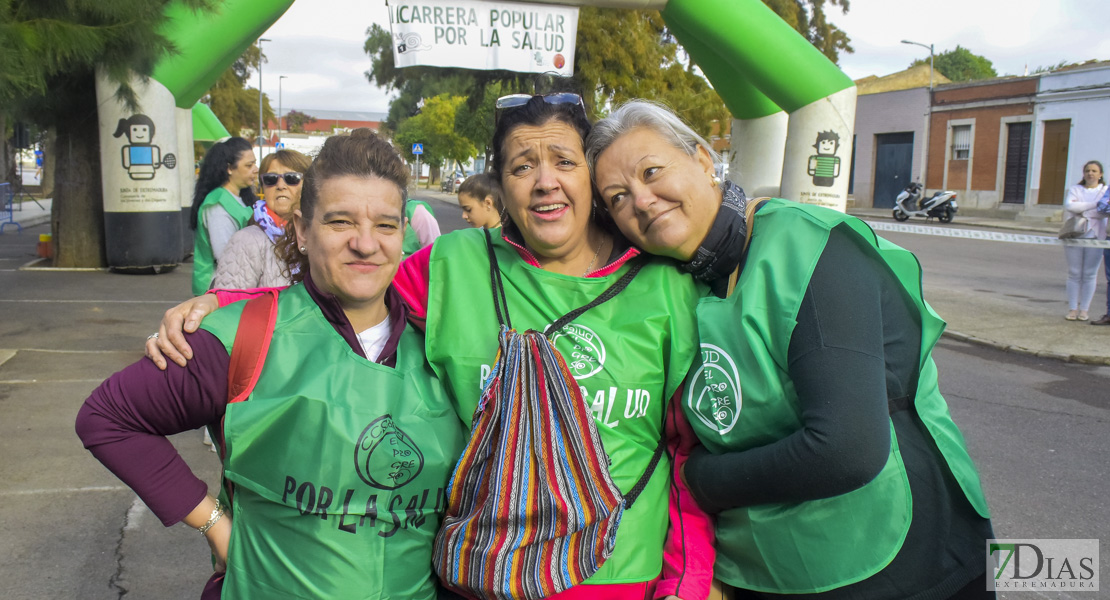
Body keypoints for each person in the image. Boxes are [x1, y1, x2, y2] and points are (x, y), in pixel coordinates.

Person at [146, 94, 715, 600]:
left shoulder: (663, 284)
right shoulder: (453, 264)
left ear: (590, 176)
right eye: (522, 167)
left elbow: (690, 450)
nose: (546, 181)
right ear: (501, 183)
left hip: (624, 577)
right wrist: (226, 306)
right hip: (486, 576)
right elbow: (355, 277)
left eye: (565, 162)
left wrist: (688, 582)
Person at [586, 100, 995, 599]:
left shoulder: (806, 245)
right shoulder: (671, 284)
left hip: (898, 558)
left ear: (701, 159)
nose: (643, 201)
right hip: (767, 566)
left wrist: (695, 480)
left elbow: (845, 450)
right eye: (618, 197)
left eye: (652, 172)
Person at [76, 129, 465, 599]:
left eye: (385, 225)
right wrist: (216, 526)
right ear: (301, 230)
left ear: (403, 233)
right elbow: (108, 418)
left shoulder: (443, 346)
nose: (365, 244)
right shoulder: (246, 334)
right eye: (340, 222)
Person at [210, 149, 312, 289]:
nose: (281, 186)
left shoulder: (319, 234)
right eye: (271, 179)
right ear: (263, 186)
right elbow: (229, 304)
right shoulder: (245, 240)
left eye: (291, 178)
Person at [190, 137, 259, 296]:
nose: (255, 169)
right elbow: (225, 256)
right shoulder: (217, 205)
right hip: (218, 288)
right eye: (249, 165)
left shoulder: (240, 199)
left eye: (254, 163)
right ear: (229, 168)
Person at [1063, 160, 1108, 321]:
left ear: (1100, 174)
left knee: (1089, 273)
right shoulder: (1076, 189)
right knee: (1074, 272)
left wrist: (1082, 208)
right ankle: (1073, 308)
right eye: (1088, 170)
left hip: (1096, 236)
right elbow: (1070, 206)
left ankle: (1084, 310)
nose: (1090, 173)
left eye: (1094, 171)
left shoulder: (1105, 190)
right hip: (1075, 235)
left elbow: (1104, 212)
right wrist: (1095, 205)